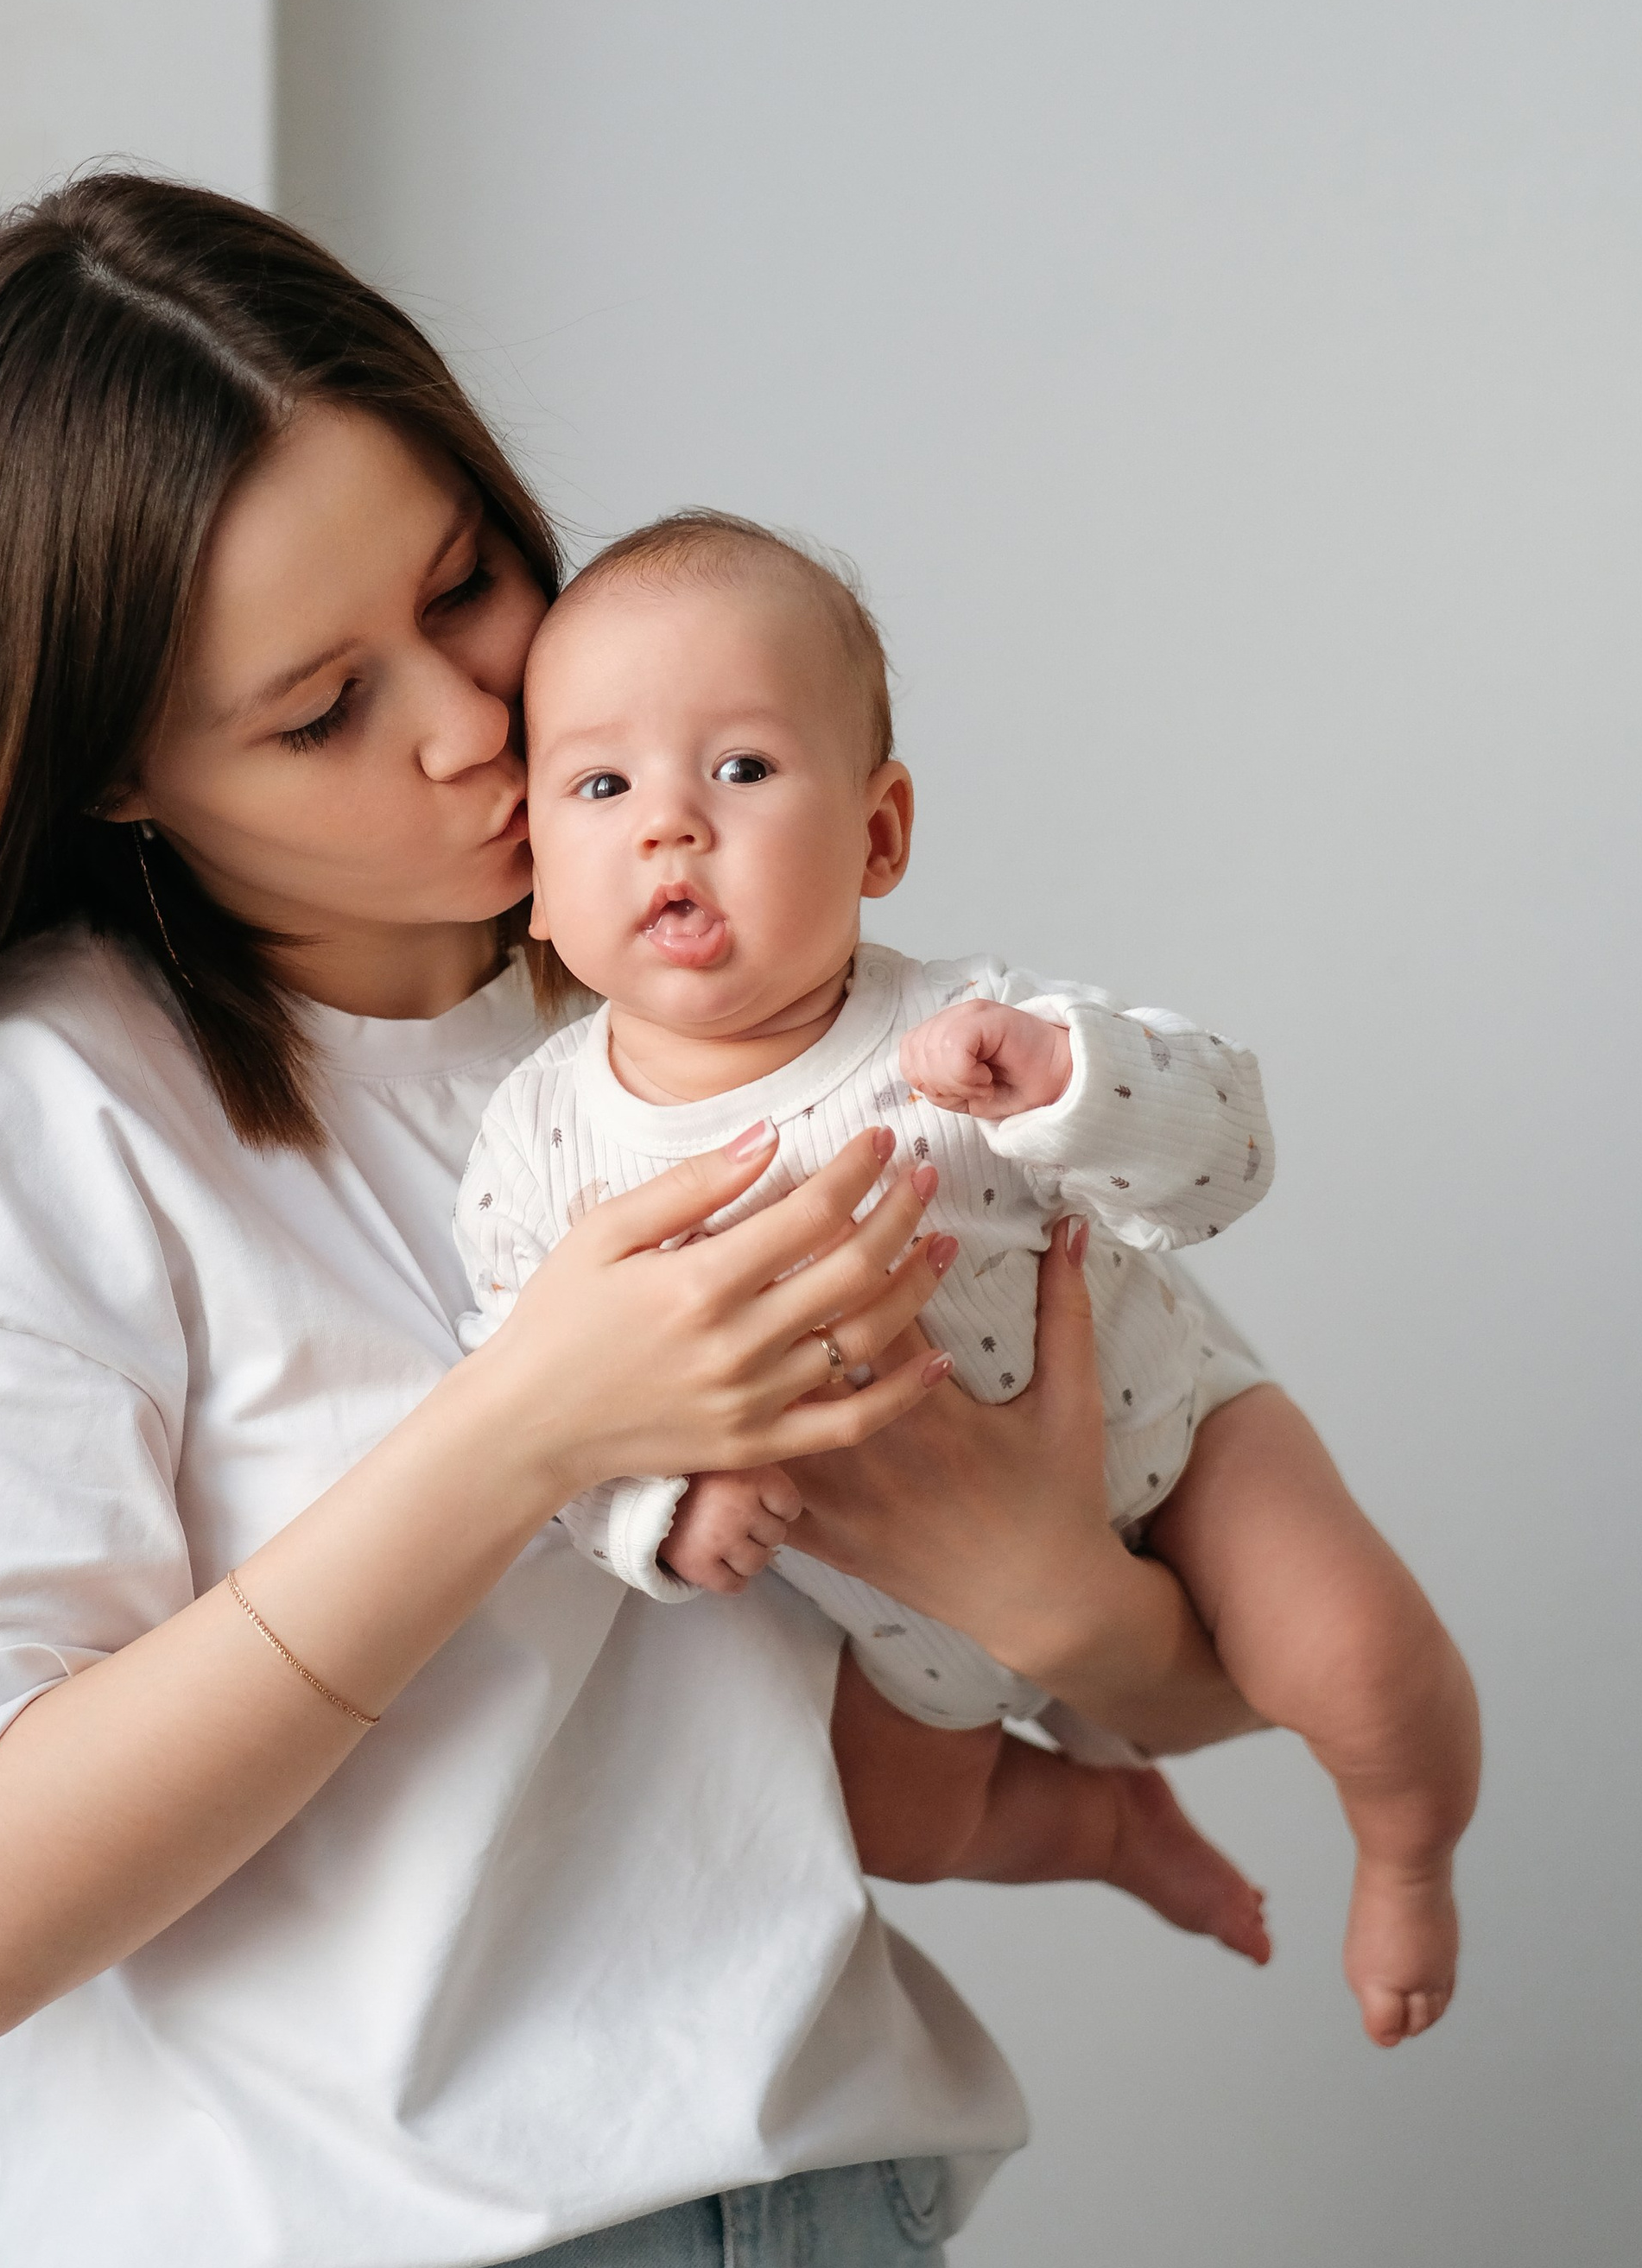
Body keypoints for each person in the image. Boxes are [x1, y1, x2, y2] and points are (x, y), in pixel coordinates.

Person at [0, 174, 1282, 2268]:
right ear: (117, 773)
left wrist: (1059, 1612)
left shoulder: (712, 1016)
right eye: (321, 708)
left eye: (464, 583)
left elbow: (1165, 1660)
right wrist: (523, 1430)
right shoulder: (46, 1142)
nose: (473, 726)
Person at [458, 510, 1481, 2049]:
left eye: (741, 767)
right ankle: (1104, 1829)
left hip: (1175, 1443)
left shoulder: (967, 1031)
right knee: (897, 1826)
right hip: (897, 1600)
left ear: (879, 836)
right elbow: (521, 1390)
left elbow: (1230, 1153)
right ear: (535, 879)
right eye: (602, 787)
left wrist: (1073, 1084)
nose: (671, 825)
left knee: (1357, 1662)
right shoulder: (539, 1141)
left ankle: (1408, 1851)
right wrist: (654, 1511)